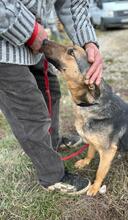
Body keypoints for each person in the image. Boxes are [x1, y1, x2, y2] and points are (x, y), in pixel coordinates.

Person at [0, 0, 103, 195]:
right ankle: (52, 176)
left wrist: (88, 42)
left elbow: (72, 4)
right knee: (30, 113)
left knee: (51, 92)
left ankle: (52, 142)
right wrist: (27, 30)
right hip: (4, 48)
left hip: (36, 45)